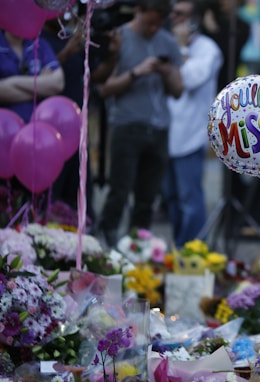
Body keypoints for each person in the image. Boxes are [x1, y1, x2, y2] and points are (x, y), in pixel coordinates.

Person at [98, 0, 183, 247]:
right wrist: (137, 72)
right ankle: (108, 240)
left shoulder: (167, 41)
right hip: (127, 125)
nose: (153, 28)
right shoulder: (120, 37)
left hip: (159, 128)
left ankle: (139, 246)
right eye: (149, 22)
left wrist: (168, 73)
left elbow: (178, 90)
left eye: (158, 23)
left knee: (148, 197)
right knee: (120, 192)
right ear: (139, 11)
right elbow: (104, 88)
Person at [41, 11, 121, 224]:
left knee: (79, 190)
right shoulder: (37, 40)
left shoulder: (72, 38)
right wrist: (66, 53)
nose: (61, 12)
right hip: (47, 131)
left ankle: (79, 238)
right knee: (51, 193)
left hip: (77, 130)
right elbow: (37, 78)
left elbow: (97, 77)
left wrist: (113, 55)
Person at [163, 0, 223, 247]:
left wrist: (181, 48)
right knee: (171, 198)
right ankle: (180, 251)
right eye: (173, 13)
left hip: (190, 134)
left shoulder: (209, 49)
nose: (175, 18)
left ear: (194, 19)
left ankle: (196, 253)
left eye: (181, 14)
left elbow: (188, 79)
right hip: (163, 133)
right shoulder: (164, 41)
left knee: (190, 199)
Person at [0, 30, 64, 123]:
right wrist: (40, 88)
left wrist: (12, 82)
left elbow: (58, 83)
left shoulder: (40, 44)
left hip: (40, 128)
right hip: (5, 128)